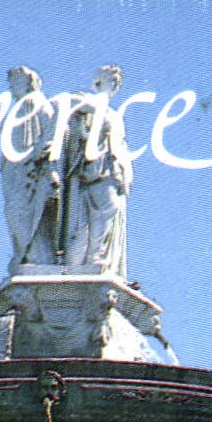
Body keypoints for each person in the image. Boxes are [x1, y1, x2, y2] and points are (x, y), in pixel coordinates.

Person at [62, 65, 130, 276]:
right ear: (99, 81)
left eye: (117, 81)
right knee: (96, 213)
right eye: (112, 79)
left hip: (111, 170)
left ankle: (97, 257)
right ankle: (90, 259)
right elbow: (70, 105)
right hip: (92, 170)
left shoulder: (114, 114)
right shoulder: (86, 101)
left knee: (109, 211)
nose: (115, 84)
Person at [0, 66, 59, 271]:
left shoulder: (36, 101)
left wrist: (41, 154)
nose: (11, 86)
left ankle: (36, 257)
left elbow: (53, 127)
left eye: (15, 81)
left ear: (28, 82)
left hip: (29, 171)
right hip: (15, 171)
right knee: (14, 212)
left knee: (25, 212)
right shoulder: (20, 107)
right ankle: (27, 254)